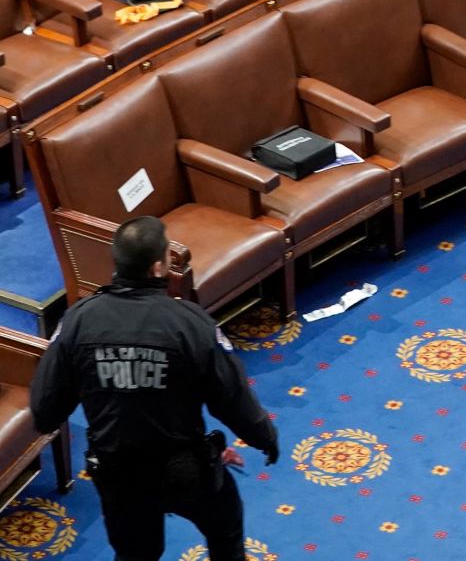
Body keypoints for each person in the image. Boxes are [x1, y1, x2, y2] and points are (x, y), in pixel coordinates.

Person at [31, 217, 280, 561]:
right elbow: (231, 397)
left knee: (136, 554)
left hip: (118, 473)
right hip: (184, 469)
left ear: (116, 262)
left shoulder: (77, 321)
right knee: (225, 528)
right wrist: (264, 436)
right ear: (158, 267)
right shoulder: (191, 323)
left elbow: (45, 411)